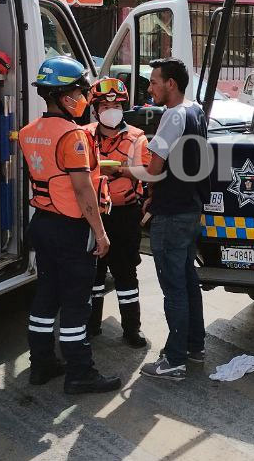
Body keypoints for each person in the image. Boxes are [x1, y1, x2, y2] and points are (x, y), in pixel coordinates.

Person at [19, 56, 120, 394]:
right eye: (80, 90)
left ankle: (41, 364)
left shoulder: (29, 132)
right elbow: (82, 189)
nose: (85, 97)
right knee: (77, 302)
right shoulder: (73, 137)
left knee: (46, 295)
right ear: (64, 95)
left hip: (42, 224)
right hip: (71, 228)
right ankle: (80, 373)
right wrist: (100, 232)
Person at [139, 57, 208, 381]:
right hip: (190, 208)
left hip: (172, 214)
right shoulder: (196, 111)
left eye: (154, 81)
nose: (150, 87)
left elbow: (154, 168)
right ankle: (194, 345)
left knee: (174, 289)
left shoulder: (172, 115)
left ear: (171, 84)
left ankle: (175, 360)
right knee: (187, 281)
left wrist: (127, 172)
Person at [85, 77, 150, 348]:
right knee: (93, 274)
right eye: (104, 104)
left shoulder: (136, 137)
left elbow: (147, 171)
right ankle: (91, 325)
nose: (110, 108)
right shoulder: (84, 134)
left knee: (125, 273)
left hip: (125, 213)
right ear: (96, 108)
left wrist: (120, 170)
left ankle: (131, 329)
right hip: (93, 214)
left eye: (116, 104)